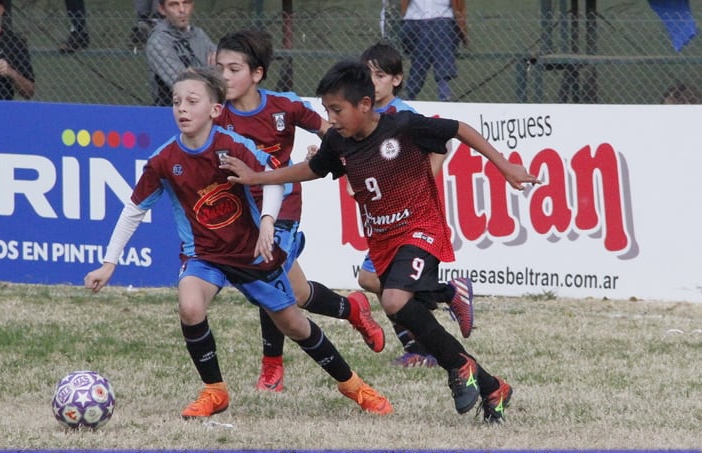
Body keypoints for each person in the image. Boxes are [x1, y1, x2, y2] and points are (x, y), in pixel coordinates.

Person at [221, 60, 541, 422]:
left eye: (337, 110)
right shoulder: (339, 142)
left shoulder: (402, 126)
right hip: (383, 239)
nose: (332, 118)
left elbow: (459, 129)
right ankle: (489, 384)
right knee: (398, 304)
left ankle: (458, 365)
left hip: (421, 226)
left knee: (392, 299)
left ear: (365, 105)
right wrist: (257, 177)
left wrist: (504, 165)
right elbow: (312, 170)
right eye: (327, 110)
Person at [83, 67, 393, 418]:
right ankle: (214, 392)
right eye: (176, 102)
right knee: (189, 306)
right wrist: (110, 262)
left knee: (294, 324)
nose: (182, 109)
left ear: (215, 111)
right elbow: (134, 209)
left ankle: (354, 386)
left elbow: (274, 182)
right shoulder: (164, 161)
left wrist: (266, 223)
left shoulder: (233, 146)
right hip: (205, 256)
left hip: (253, 255)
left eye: (192, 101)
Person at [214, 30, 385, 392]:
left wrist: (325, 153)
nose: (224, 77)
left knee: (265, 271)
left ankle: (272, 367)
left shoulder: (284, 106)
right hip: (242, 213)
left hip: (284, 205)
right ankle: (353, 309)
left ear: (257, 73)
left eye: (233, 68)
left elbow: (331, 130)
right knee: (299, 294)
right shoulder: (216, 115)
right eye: (219, 69)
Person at [357, 39, 472, 370]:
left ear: (396, 79)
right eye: (367, 75)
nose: (373, 82)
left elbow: (441, 146)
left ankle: (446, 299)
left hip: (410, 218)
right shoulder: (366, 115)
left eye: (379, 75)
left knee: (383, 284)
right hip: (384, 218)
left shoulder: (404, 115)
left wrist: (420, 184)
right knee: (374, 281)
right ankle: (421, 341)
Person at [145, 0, 215, 106]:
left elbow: (224, 69)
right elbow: (183, 83)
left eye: (186, 3)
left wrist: (195, 73)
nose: (182, 10)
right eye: (174, 4)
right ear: (162, 9)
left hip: (206, 107)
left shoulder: (199, 34)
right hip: (171, 110)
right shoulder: (158, 41)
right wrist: (212, 72)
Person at [399, 0, 467, 101]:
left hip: (433, 24)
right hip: (420, 24)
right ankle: (444, 89)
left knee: (430, 36)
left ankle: (410, 92)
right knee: (434, 33)